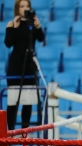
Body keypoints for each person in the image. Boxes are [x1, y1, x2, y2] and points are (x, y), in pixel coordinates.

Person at [5, 0, 44, 130]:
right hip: (16, 66)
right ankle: (9, 134)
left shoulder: (32, 24)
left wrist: (38, 26)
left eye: (27, 6)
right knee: (13, 104)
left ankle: (25, 136)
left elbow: (41, 38)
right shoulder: (12, 24)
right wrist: (15, 27)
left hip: (29, 66)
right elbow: (8, 43)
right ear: (17, 9)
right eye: (22, 6)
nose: (25, 9)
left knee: (27, 104)